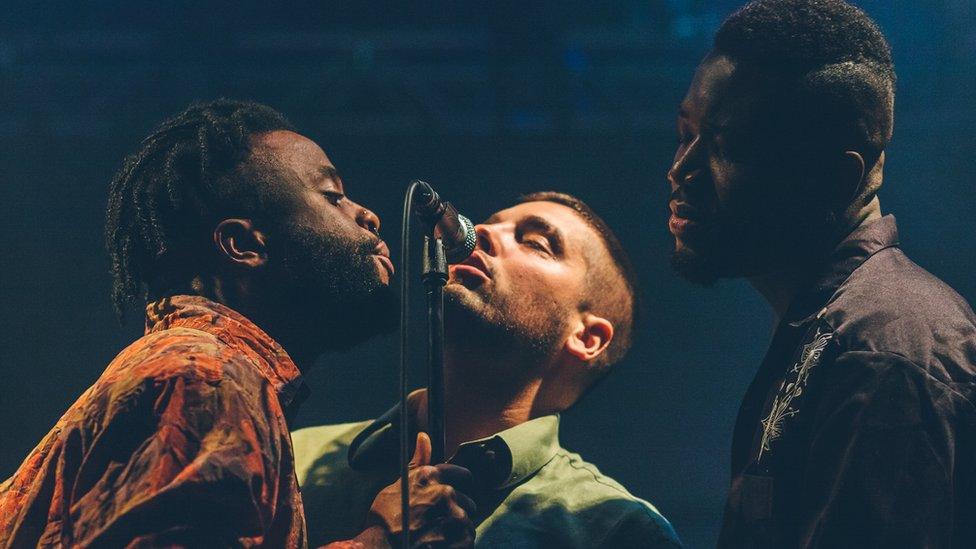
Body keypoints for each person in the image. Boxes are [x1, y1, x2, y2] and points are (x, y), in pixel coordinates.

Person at [0, 100, 474, 548]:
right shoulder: (203, 379)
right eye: (333, 197)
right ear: (243, 245)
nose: (368, 215)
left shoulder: (199, 372)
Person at [667, 1, 976, 547]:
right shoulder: (840, 327)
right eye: (685, 132)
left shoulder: (883, 349)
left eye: (727, 145)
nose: (682, 170)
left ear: (834, 178)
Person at [293, 192, 682, 548]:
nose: (480, 232)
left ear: (588, 337)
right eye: (490, 223)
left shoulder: (619, 529)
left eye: (535, 243)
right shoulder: (296, 455)